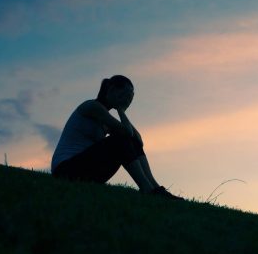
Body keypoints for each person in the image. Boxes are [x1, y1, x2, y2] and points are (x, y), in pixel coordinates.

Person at [51, 75, 183, 200]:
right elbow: (126, 134)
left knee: (127, 140)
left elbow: (137, 140)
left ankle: (155, 188)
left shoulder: (106, 119)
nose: (127, 101)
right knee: (121, 139)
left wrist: (122, 111)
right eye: (124, 96)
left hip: (86, 170)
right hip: (65, 170)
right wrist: (120, 110)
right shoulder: (92, 106)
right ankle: (147, 189)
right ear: (112, 90)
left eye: (130, 99)